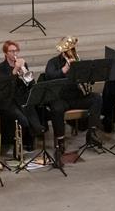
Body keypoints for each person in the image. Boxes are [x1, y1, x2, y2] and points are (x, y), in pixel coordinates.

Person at [43, 38, 104, 166]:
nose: (71, 51)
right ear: (62, 51)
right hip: (60, 98)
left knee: (96, 98)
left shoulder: (78, 62)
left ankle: (91, 132)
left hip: (76, 97)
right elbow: (49, 77)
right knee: (57, 109)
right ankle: (60, 142)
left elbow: (89, 78)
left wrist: (88, 76)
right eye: (68, 49)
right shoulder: (53, 62)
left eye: (72, 49)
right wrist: (64, 69)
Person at [0, 40, 45, 153]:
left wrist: (24, 72)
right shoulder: (0, 67)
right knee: (23, 120)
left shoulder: (23, 64)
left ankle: (29, 140)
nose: (14, 53)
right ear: (6, 53)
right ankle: (18, 146)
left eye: (16, 50)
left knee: (33, 109)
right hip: (8, 100)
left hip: (22, 98)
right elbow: (4, 86)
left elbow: (31, 84)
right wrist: (14, 70)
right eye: (11, 51)